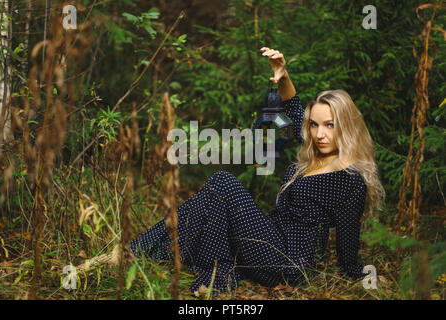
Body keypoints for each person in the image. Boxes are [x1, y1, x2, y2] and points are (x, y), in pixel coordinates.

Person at [130, 47, 386, 296]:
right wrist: (283, 75)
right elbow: (294, 107)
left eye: (330, 125)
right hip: (270, 240)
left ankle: (165, 258)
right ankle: (143, 254)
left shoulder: (350, 180)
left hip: (289, 262)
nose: (320, 134)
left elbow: (348, 237)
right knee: (209, 202)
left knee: (223, 182)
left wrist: (360, 273)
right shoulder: (314, 146)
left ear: (346, 126)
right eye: (315, 125)